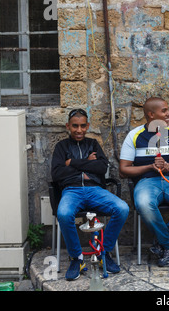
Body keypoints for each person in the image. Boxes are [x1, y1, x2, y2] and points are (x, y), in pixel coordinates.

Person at [51, 108, 129, 281]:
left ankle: (103, 252)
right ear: (68, 126)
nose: (79, 130)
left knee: (122, 208)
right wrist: (87, 163)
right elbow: (57, 174)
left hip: (95, 190)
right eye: (75, 126)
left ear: (87, 126)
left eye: (82, 126)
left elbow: (102, 168)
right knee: (64, 214)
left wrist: (72, 163)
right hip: (71, 190)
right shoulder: (61, 146)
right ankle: (77, 258)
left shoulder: (93, 144)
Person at [119, 97, 169, 267]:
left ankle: (161, 242)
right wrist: (149, 166)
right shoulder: (134, 135)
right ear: (150, 114)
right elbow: (124, 170)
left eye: (167, 110)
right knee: (143, 204)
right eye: (164, 111)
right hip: (147, 182)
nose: (168, 114)